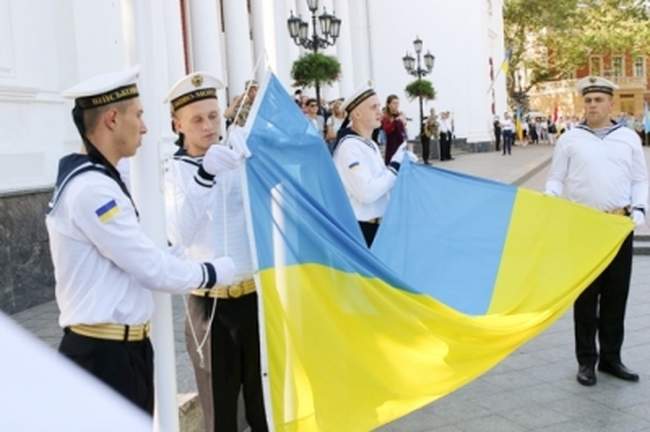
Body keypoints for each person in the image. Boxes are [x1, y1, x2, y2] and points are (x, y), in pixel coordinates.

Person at [47, 67, 236, 415]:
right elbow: (149, 267)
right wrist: (212, 272)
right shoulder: (92, 189)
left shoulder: (107, 178)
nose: (146, 127)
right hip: (101, 356)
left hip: (121, 350)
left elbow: (155, 246)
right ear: (112, 119)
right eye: (139, 115)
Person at [164, 72, 269, 431]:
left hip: (253, 297)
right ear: (178, 124)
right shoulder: (174, 172)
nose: (209, 126)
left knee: (263, 407)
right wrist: (204, 176)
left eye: (213, 116)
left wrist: (257, 159)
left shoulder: (234, 156)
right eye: (197, 119)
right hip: (209, 306)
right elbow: (178, 234)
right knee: (220, 415)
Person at [545, 76, 648, 387]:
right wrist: (550, 201)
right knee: (587, 296)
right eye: (588, 101)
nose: (592, 105)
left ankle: (611, 358)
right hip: (583, 227)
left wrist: (640, 207)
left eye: (598, 100)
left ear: (610, 103)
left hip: (617, 226)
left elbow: (639, 179)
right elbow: (555, 179)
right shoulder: (570, 139)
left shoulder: (628, 138)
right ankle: (586, 360)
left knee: (617, 294)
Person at [333, 87, 416, 247]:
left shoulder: (369, 143)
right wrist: (395, 165)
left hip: (378, 226)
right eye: (373, 107)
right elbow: (367, 193)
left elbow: (381, 181)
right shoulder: (349, 147)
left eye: (379, 106)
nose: (380, 111)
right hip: (362, 230)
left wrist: (402, 169)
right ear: (357, 114)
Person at [380, 95, 408, 165]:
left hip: (401, 147)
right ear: (388, 104)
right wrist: (396, 121)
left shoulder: (400, 114)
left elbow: (403, 131)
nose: (396, 105)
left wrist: (403, 120)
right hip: (392, 149)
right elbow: (387, 130)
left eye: (397, 103)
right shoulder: (385, 116)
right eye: (394, 103)